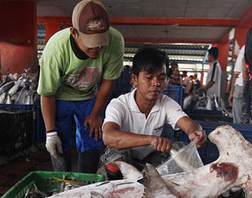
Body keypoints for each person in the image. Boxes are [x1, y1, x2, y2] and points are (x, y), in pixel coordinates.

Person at [38, 0, 125, 174]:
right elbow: (47, 93)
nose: (97, 48)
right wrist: (50, 133)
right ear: (74, 33)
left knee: (92, 138)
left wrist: (95, 113)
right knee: (60, 142)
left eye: (101, 41)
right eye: (91, 42)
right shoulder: (56, 49)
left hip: (90, 97)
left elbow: (108, 81)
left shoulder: (115, 41)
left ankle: (87, 184)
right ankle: (64, 185)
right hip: (59, 97)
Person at [101, 47, 206, 179]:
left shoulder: (167, 103)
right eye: (149, 77)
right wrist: (150, 140)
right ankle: (119, 188)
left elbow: (190, 125)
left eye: (161, 78)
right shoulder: (119, 104)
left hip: (151, 162)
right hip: (125, 159)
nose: (156, 83)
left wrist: (195, 132)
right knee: (113, 155)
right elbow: (109, 136)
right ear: (134, 79)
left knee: (180, 149)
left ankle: (155, 184)